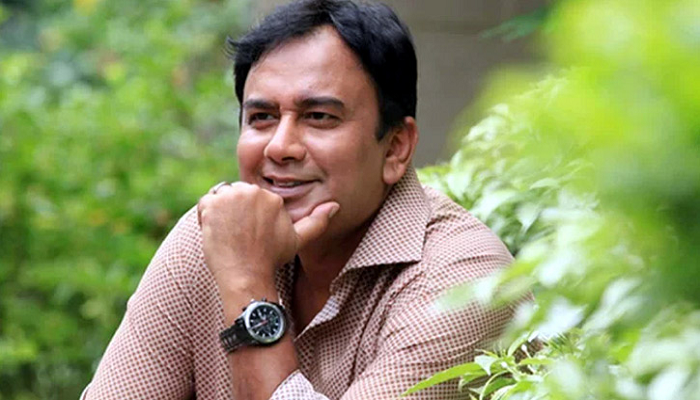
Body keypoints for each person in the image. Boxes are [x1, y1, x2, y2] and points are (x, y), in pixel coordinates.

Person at [82, 0, 518, 398]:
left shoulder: (469, 283)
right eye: (262, 117)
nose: (279, 146)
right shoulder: (213, 237)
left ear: (395, 148)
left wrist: (247, 285)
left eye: (319, 117)